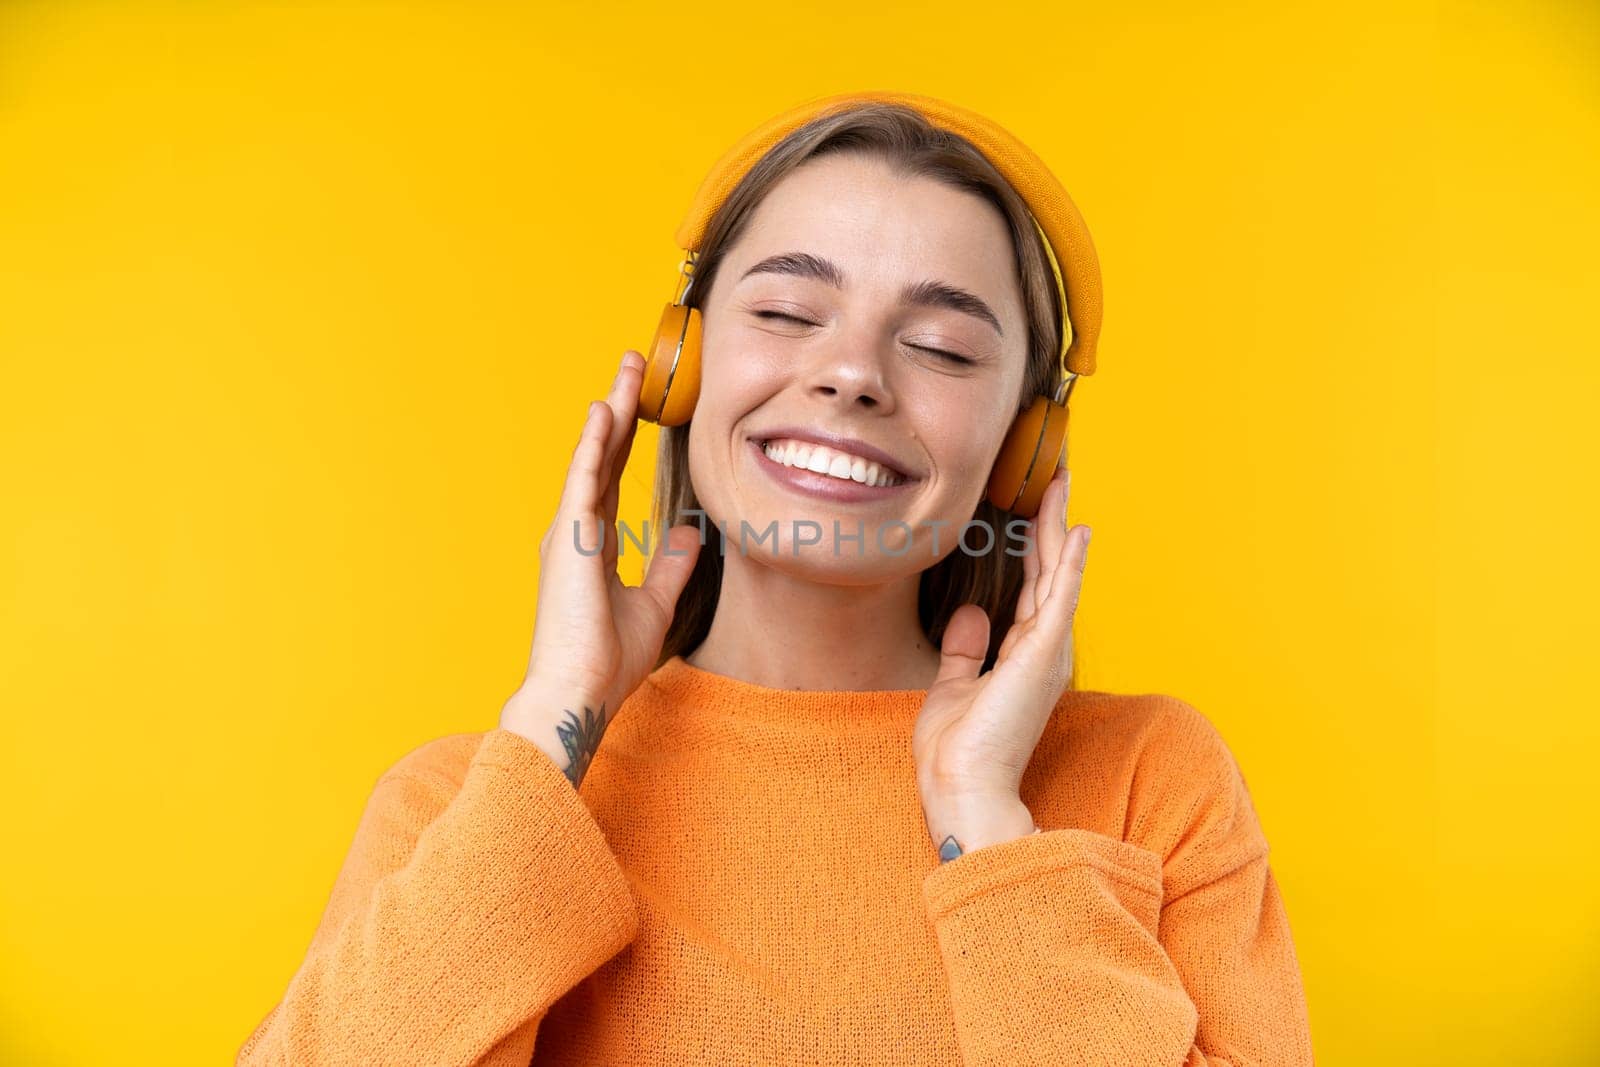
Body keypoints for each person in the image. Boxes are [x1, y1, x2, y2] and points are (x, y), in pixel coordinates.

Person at [237, 90, 1313, 1066]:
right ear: (680, 368)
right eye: (789, 313)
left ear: (1025, 446)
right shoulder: (470, 803)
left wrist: (986, 822)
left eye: (939, 346)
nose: (851, 373)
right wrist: (556, 723)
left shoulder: (1153, 783)